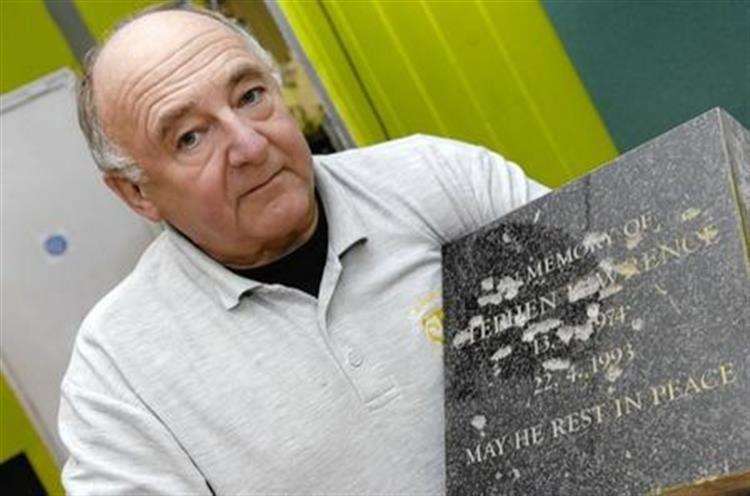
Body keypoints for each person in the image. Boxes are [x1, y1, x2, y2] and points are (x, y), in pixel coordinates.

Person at [58, 4, 549, 495]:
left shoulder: (437, 179)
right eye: (190, 137)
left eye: (250, 96)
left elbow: (610, 296)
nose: (249, 145)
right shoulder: (118, 370)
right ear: (136, 193)